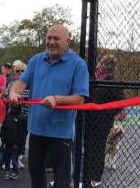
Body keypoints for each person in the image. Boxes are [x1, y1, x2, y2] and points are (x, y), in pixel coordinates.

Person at [9, 25, 89, 188]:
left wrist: (56, 99)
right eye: (49, 38)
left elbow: (80, 98)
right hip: (36, 130)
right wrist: (13, 93)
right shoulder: (36, 60)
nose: (51, 42)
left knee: (61, 180)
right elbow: (20, 83)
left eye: (56, 38)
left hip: (61, 133)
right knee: (36, 176)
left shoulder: (78, 64)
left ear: (67, 41)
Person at [83, 54, 124, 188]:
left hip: (102, 122)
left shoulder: (112, 82)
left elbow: (121, 103)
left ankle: (96, 177)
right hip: (91, 119)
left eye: (104, 65)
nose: (101, 67)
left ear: (109, 67)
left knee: (98, 148)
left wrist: (107, 113)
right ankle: (89, 175)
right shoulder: (98, 79)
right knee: (90, 147)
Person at [1, 62, 29, 180]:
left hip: (25, 119)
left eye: (23, 71)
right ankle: (7, 168)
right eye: (18, 71)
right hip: (11, 119)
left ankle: (15, 169)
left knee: (19, 146)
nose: (20, 73)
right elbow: (6, 99)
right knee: (8, 145)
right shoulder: (11, 84)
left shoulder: (31, 85)